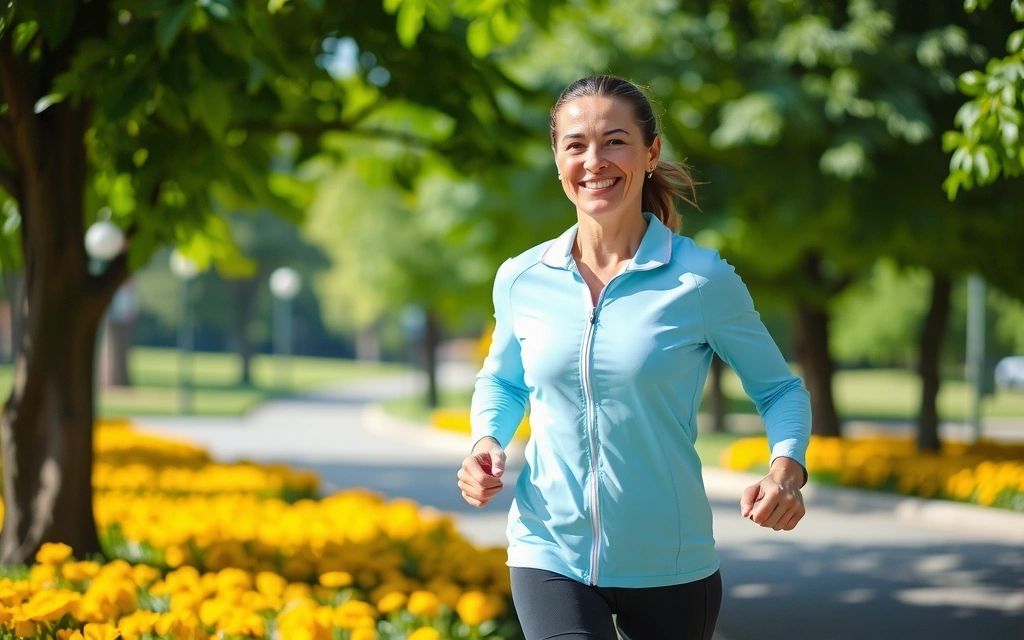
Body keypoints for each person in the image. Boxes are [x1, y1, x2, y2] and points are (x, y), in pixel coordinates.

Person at [456, 75, 811, 640]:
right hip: (549, 552)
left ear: (651, 153)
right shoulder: (522, 278)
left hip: (671, 563)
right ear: (557, 160)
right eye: (575, 144)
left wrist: (786, 470)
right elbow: (502, 381)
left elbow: (779, 390)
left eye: (615, 141)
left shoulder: (700, 279)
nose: (594, 160)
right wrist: (485, 442)